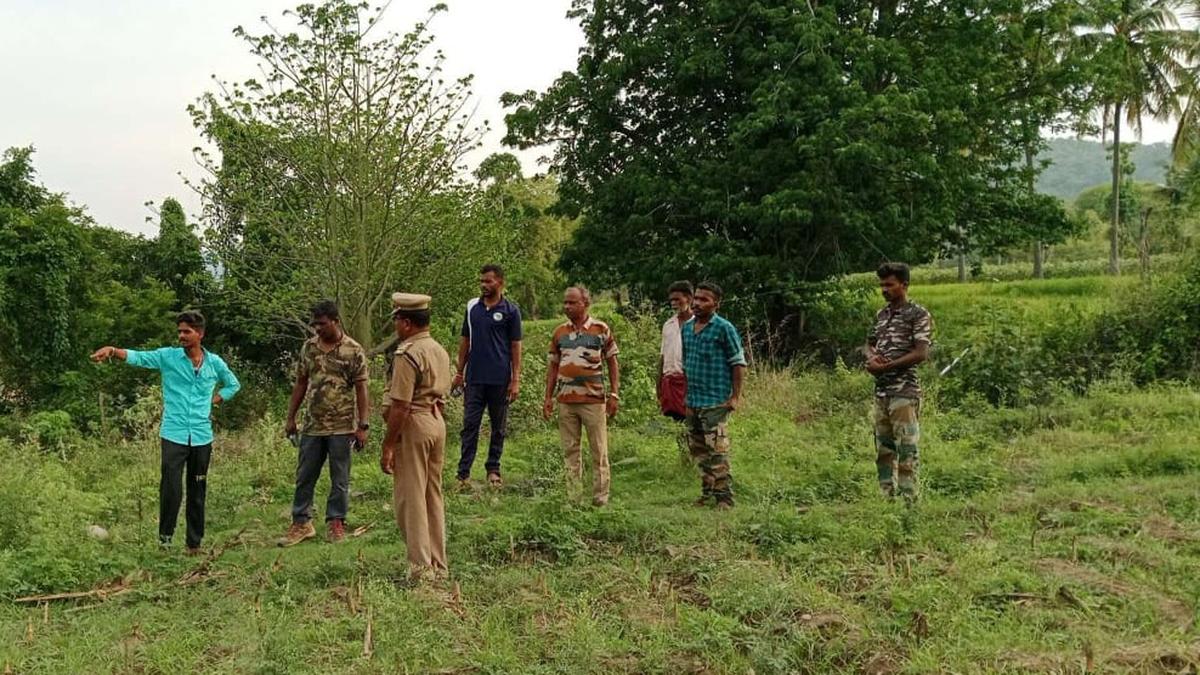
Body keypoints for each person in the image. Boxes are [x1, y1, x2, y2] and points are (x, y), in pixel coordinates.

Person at [91, 311, 240, 554]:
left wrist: (218, 398)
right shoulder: (168, 357)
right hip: (174, 434)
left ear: (200, 334)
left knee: (197, 489)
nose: (181, 335)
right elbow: (139, 357)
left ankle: (194, 544)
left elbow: (233, 383)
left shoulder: (214, 363)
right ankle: (165, 542)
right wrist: (113, 351)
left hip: (202, 436)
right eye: (179, 331)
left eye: (187, 331)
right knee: (171, 489)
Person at [278, 300, 370, 547]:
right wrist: (290, 418)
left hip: (342, 425)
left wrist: (363, 425)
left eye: (322, 324)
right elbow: (300, 383)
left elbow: (362, 388)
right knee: (305, 474)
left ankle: (336, 522)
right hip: (312, 425)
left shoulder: (353, 350)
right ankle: (301, 522)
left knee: (339, 477)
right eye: (314, 324)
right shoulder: (309, 348)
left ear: (335, 321)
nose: (317, 328)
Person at [381, 293, 452, 581]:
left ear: (406, 323)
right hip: (436, 420)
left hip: (415, 423)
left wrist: (388, 444)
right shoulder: (438, 349)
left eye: (397, 319)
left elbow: (401, 404)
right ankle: (438, 564)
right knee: (432, 495)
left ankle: (421, 570)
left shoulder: (408, 352)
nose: (396, 325)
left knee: (411, 498)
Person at [542, 286, 620, 506]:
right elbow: (553, 367)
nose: (567, 307)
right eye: (565, 303)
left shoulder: (600, 329)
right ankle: (573, 498)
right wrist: (548, 397)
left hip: (593, 401)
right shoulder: (559, 333)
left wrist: (614, 393)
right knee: (570, 451)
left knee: (599, 450)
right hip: (566, 401)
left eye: (571, 303)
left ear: (585, 303)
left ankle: (600, 499)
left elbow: (613, 362)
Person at [865, 262, 933, 501]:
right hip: (882, 392)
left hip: (904, 391)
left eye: (890, 285)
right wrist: (872, 358)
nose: (885, 289)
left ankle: (909, 501)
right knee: (884, 448)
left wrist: (886, 366)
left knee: (906, 448)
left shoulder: (917, 314)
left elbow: (921, 353)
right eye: (882, 285)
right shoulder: (881, 315)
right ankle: (887, 497)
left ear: (904, 285)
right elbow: (869, 343)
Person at [453, 264, 523, 489]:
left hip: (500, 378)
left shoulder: (511, 311)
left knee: (498, 427)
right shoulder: (473, 308)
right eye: (481, 281)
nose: (484, 285)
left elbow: (515, 346)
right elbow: (465, 341)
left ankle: (493, 469)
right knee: (470, 425)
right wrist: (458, 372)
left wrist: (515, 379)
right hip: (474, 378)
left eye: (488, 281)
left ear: (500, 282)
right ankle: (463, 474)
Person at [681, 282, 746, 510]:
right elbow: (687, 365)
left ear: (716, 304)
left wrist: (735, 397)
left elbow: (738, 363)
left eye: (704, 300)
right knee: (699, 452)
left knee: (717, 452)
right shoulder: (687, 329)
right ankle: (707, 494)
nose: (697, 303)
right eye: (696, 298)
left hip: (715, 401)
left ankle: (724, 499)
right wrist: (686, 399)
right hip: (693, 401)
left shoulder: (723, 328)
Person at [657, 281, 693, 421]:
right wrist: (659, 385)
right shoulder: (668, 325)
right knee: (674, 424)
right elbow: (663, 356)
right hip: (670, 383)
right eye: (671, 300)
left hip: (689, 382)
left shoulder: (699, 324)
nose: (673, 303)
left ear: (689, 299)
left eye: (677, 299)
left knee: (692, 422)